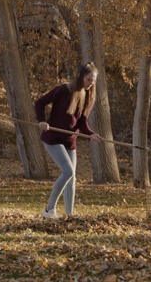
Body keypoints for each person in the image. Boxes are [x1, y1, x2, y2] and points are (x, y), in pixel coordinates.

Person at [34, 62, 102, 218]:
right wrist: (41, 121)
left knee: (72, 177)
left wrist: (91, 134)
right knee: (68, 171)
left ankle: (69, 215)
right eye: (88, 79)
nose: (91, 83)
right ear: (80, 77)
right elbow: (40, 103)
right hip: (53, 137)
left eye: (93, 80)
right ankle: (49, 210)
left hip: (70, 139)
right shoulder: (63, 90)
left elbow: (82, 122)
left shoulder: (88, 96)